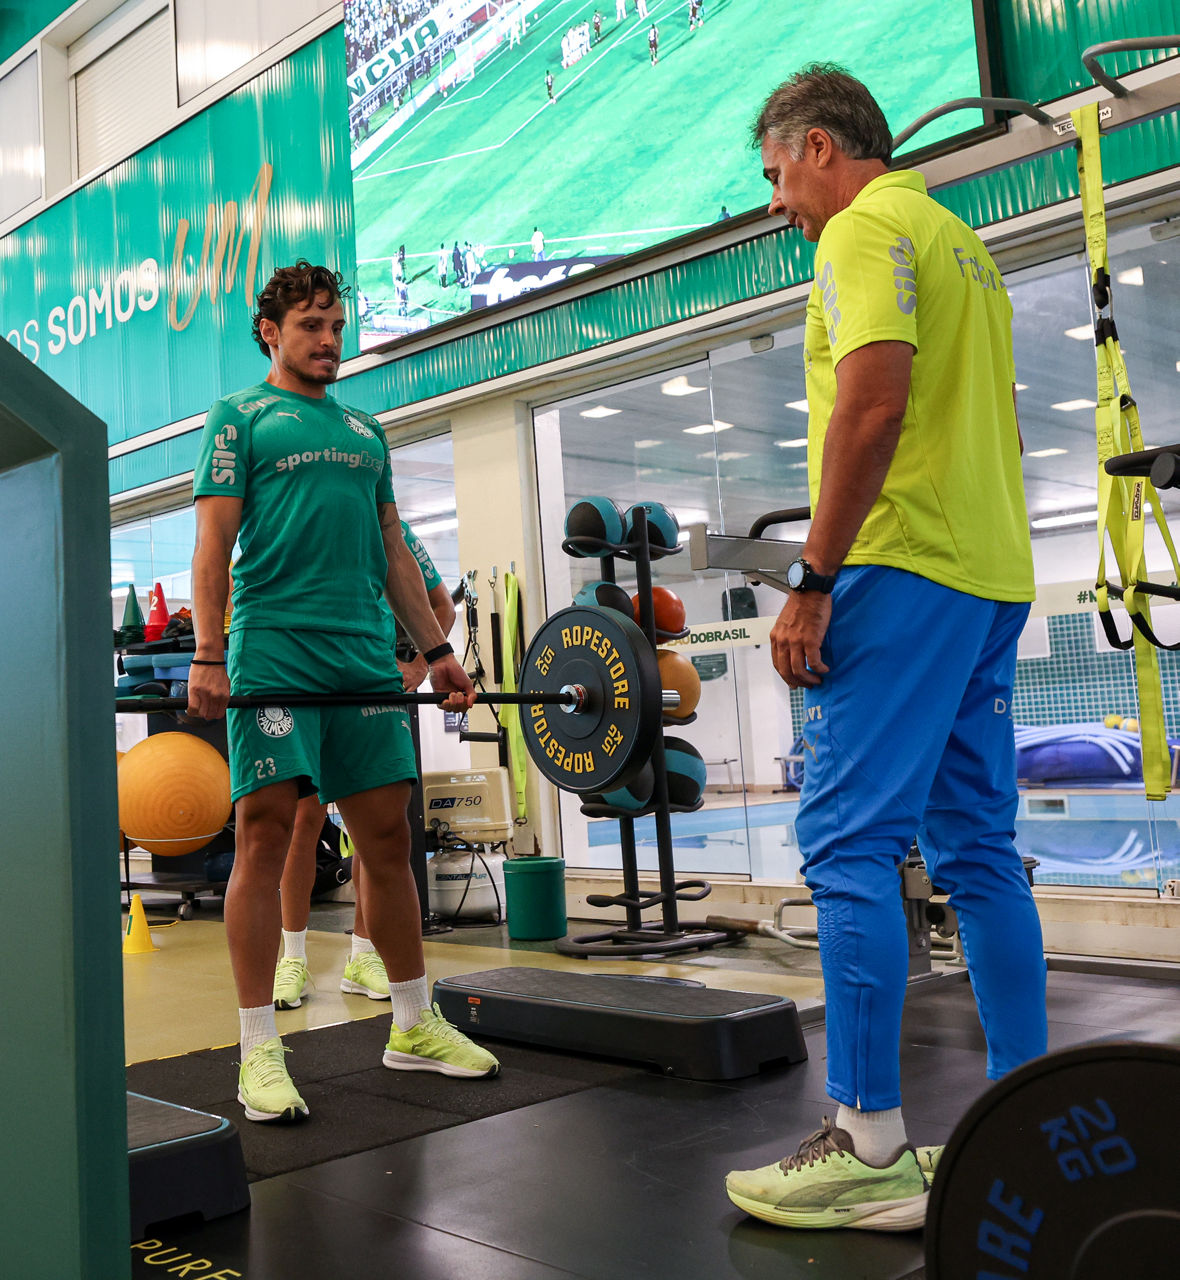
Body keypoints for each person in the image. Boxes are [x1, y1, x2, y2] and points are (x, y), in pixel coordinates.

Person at [725, 64, 1046, 1231]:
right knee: (979, 849)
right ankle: (1026, 1117)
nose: (778, 203)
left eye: (777, 173)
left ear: (819, 146)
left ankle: (865, 1141)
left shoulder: (862, 229)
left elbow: (872, 405)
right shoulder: (962, 244)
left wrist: (811, 580)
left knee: (848, 841)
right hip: (987, 572)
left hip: (900, 565)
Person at [189, 260, 498, 1125]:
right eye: (311, 326)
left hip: (363, 654)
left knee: (388, 839)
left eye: (336, 326)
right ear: (271, 333)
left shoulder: (366, 431)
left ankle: (413, 1023)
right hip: (275, 647)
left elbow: (393, 548)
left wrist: (437, 651)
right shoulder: (239, 417)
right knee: (264, 833)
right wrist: (209, 652)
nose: (329, 341)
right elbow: (212, 543)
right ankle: (258, 1048)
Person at [272, 521, 455, 1010]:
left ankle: (363, 955)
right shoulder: (301, 517)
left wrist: (418, 666)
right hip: (306, 676)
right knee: (304, 819)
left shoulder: (394, 530)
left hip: (368, 682)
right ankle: (292, 958)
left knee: (374, 830)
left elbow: (442, 605)